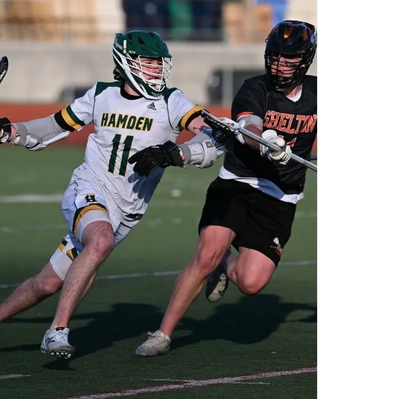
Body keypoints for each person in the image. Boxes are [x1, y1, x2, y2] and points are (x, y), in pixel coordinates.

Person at [0, 30, 236, 359]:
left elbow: (213, 135)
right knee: (100, 241)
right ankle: (56, 331)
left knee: (47, 283)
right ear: (127, 63)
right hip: (89, 188)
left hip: (127, 212)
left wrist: (177, 154)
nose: (157, 69)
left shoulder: (172, 101)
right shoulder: (101, 95)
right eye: (149, 62)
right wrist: (15, 132)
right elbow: (56, 126)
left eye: (159, 63)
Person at [131, 20, 317, 356]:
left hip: (280, 197)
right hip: (237, 183)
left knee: (251, 282)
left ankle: (224, 265)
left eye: (289, 59)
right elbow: (248, 127)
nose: (280, 65)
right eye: (275, 57)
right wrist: (267, 143)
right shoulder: (253, 88)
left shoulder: (320, 94)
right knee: (206, 254)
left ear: (305, 60)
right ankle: (163, 333)